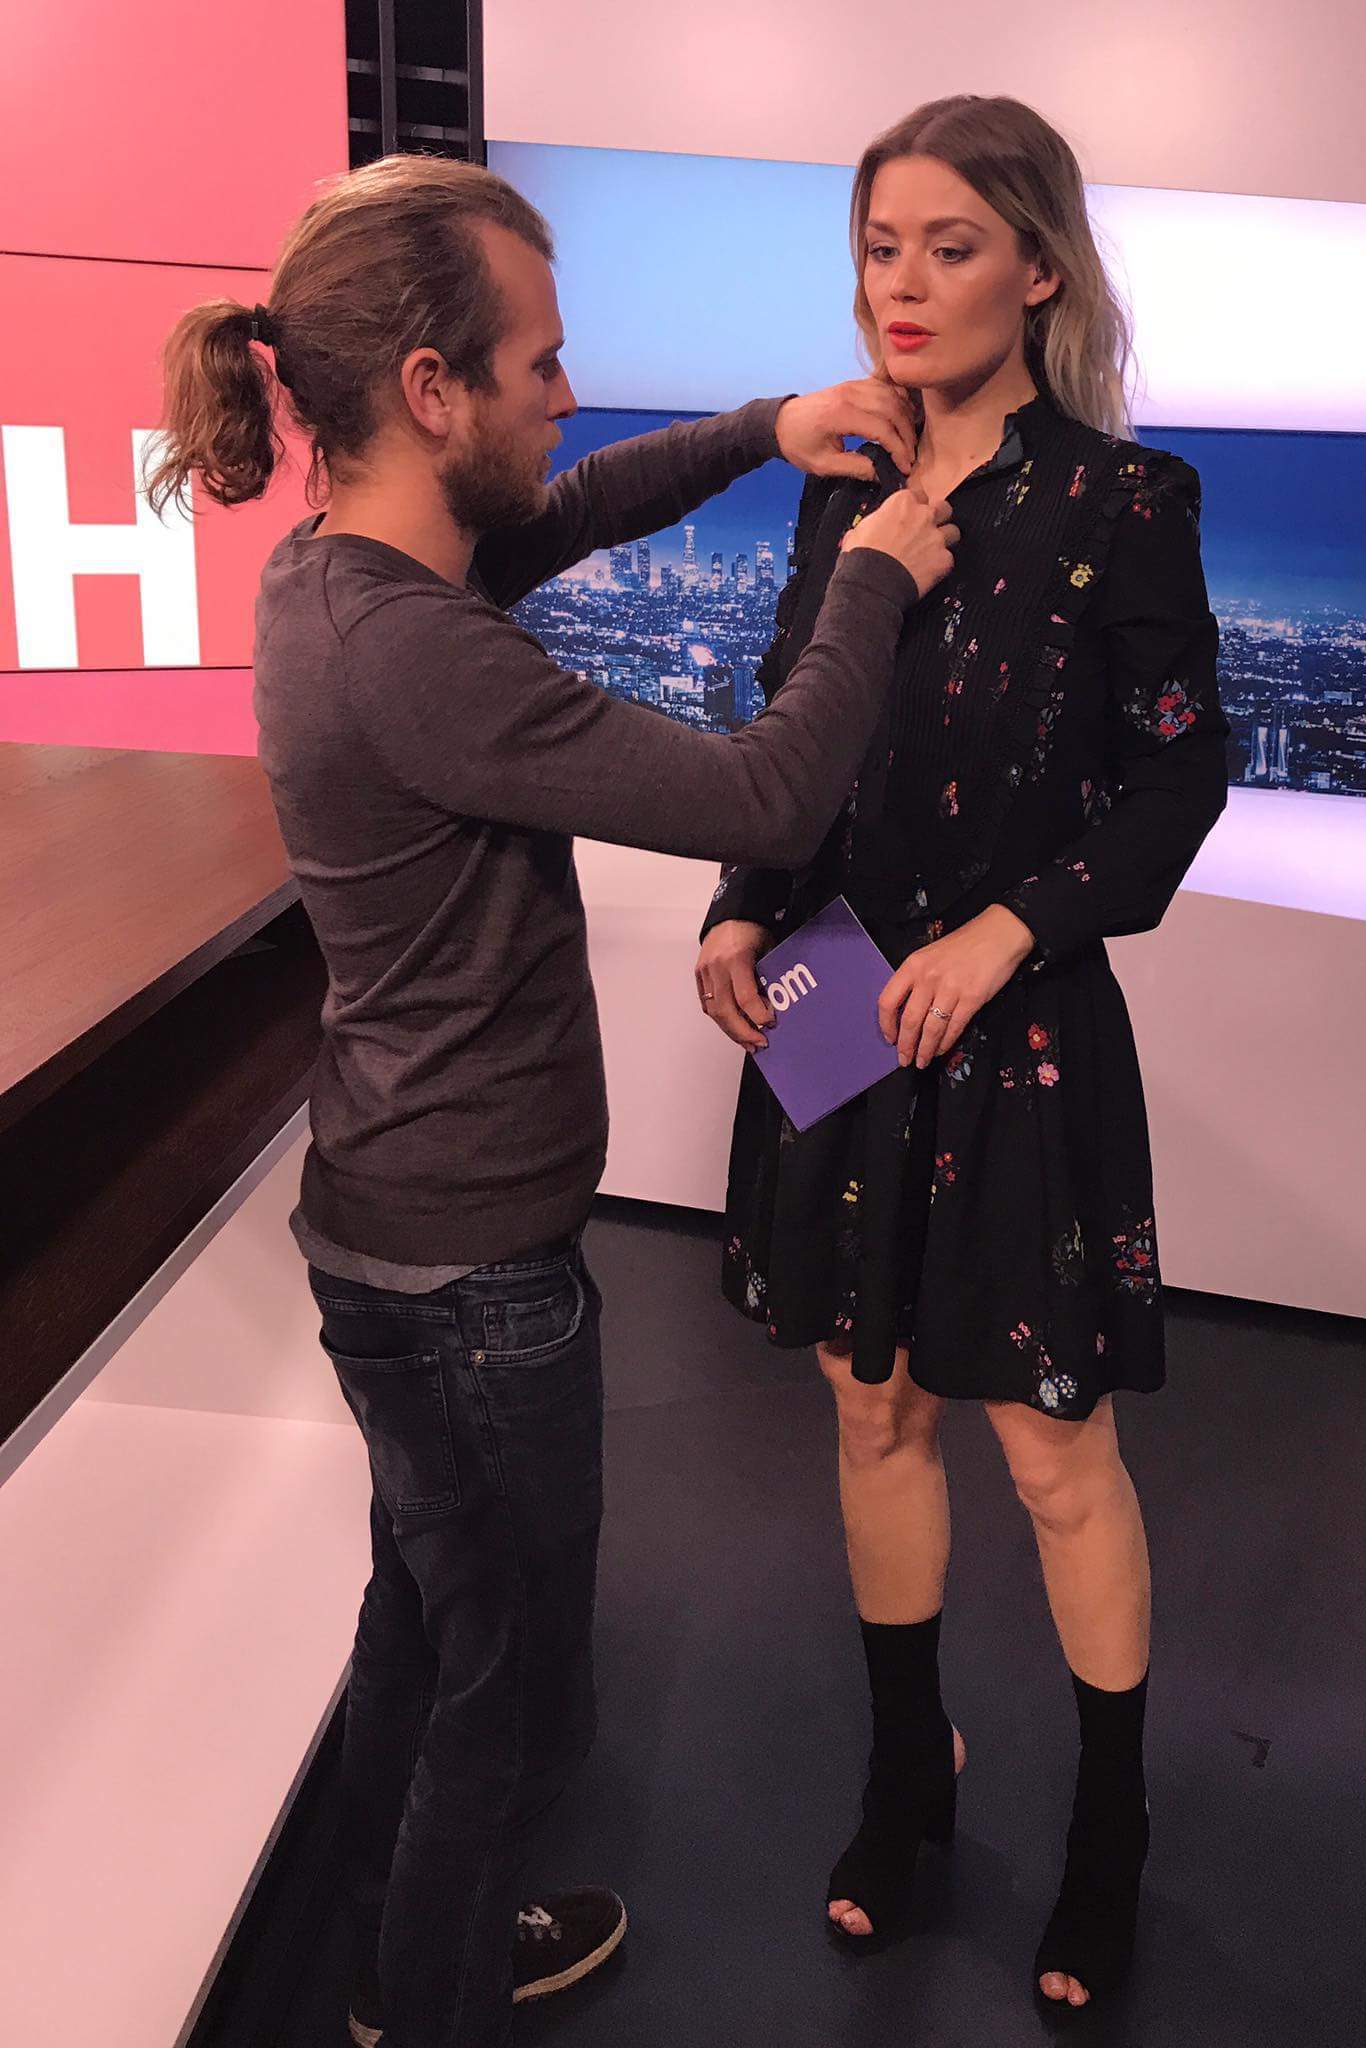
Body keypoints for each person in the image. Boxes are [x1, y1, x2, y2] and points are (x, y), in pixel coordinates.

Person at [147, 153, 956, 2048]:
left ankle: (392, 1961)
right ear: (432, 389)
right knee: (508, 1703)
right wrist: (872, 575)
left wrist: (765, 428)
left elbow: (572, 508)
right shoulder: (416, 654)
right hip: (470, 1285)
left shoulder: (345, 574)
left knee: (428, 1631)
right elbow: (765, 794)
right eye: (540, 364)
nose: (567, 398)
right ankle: (429, 1997)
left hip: (399, 1239)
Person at [694, 96, 1229, 2011]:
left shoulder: (1123, 501)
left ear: (1040, 270)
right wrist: (741, 906)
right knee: (869, 1405)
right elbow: (800, 726)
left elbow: (1179, 776)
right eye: (879, 247)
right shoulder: (844, 483)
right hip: (841, 995)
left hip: (1016, 1023)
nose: (901, 286)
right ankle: (908, 1772)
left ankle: (1109, 1828)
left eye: (948, 245)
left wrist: (1013, 930)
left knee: (1055, 1450)